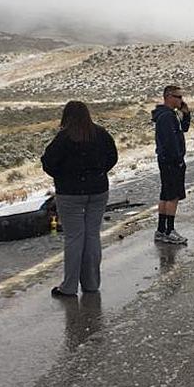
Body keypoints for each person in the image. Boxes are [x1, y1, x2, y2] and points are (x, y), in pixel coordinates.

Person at [41, 101, 118, 298]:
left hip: (70, 193)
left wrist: (63, 176)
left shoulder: (64, 137)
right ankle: (91, 283)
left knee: (74, 238)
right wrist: (99, 172)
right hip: (98, 190)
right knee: (92, 235)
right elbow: (113, 156)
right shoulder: (100, 133)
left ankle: (69, 286)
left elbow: (48, 162)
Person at [152, 85, 190, 244]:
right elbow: (170, 141)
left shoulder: (169, 115)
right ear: (168, 96)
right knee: (173, 196)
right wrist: (178, 159)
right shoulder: (167, 117)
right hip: (171, 161)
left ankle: (161, 229)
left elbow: (185, 128)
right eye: (178, 97)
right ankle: (169, 230)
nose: (181, 100)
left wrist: (186, 114)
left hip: (166, 160)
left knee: (165, 194)